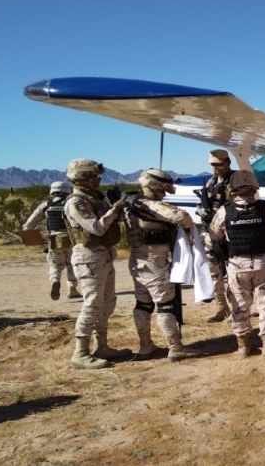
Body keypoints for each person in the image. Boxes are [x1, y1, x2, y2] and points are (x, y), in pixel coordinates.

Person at [207, 170, 265, 359]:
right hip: (264, 263)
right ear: (254, 188)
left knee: (239, 305)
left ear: (233, 189)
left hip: (237, 265)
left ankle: (243, 347)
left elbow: (213, 235)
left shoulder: (224, 211)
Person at [124, 168, 203, 362]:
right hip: (155, 262)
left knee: (142, 304)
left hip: (137, 260)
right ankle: (175, 347)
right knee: (165, 306)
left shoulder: (130, 204)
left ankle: (145, 346)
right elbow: (181, 218)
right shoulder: (151, 205)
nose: (165, 191)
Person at [62, 158, 131, 369]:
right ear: (81, 178)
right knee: (92, 304)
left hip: (104, 254)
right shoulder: (77, 203)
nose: (98, 179)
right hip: (89, 257)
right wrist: (114, 209)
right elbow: (97, 228)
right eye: (93, 176)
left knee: (107, 303)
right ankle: (80, 352)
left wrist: (115, 206)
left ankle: (102, 346)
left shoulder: (96, 199)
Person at [22, 181, 79, 300]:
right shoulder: (71, 203)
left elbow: (28, 225)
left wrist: (34, 239)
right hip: (72, 239)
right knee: (72, 264)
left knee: (55, 265)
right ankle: (72, 289)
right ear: (68, 190)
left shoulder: (45, 205)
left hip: (53, 239)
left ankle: (55, 281)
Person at [196, 149, 235, 323]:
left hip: (230, 233)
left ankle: (237, 309)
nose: (216, 168)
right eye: (213, 165)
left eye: (219, 164)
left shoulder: (236, 180)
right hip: (211, 234)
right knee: (215, 273)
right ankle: (221, 307)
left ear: (228, 163)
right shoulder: (210, 182)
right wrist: (202, 211)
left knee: (234, 274)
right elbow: (202, 205)